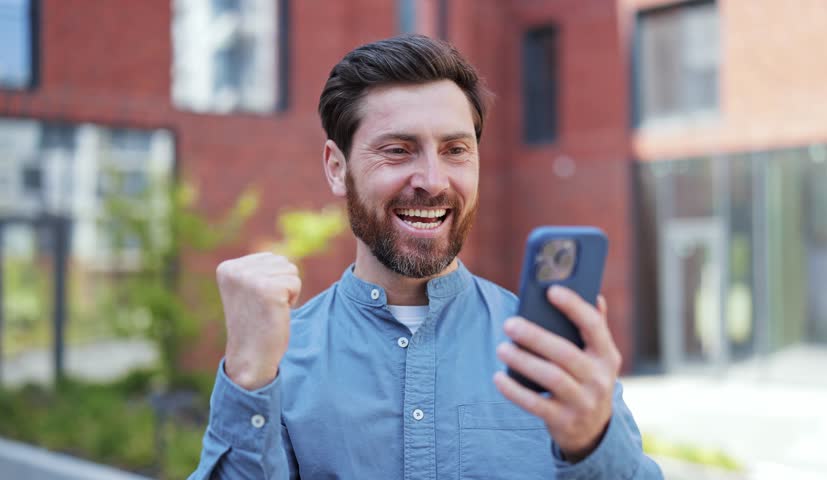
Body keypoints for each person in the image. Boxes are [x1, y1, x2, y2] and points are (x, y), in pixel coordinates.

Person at [190, 34, 662, 479]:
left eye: (456, 150)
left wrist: (591, 443)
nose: (434, 180)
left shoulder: (548, 355)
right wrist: (248, 376)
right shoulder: (276, 363)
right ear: (337, 168)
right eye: (398, 150)